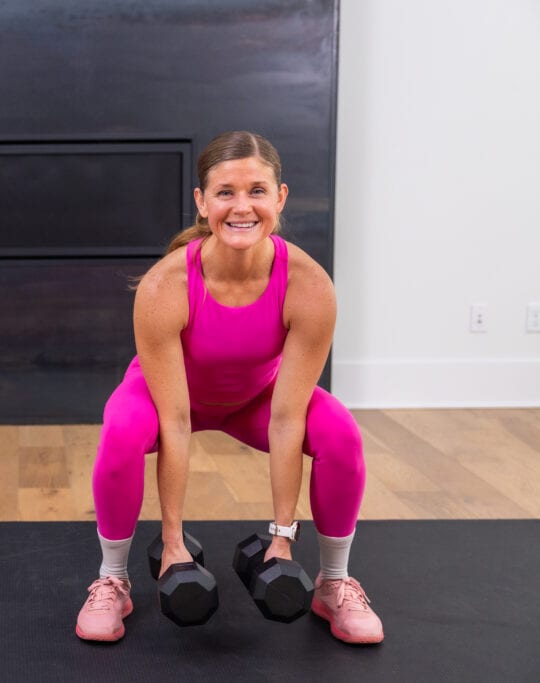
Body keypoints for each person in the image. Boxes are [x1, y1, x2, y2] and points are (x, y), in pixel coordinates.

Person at [74, 131, 383, 645]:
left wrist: (282, 538)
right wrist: (172, 543)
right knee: (123, 428)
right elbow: (175, 421)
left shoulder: (308, 284)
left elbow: (287, 418)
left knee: (339, 432)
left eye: (257, 191)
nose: (242, 207)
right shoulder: (165, 285)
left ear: (280, 197)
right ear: (202, 201)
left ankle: (333, 583)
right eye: (225, 192)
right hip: (168, 396)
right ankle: (113, 579)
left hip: (256, 401)